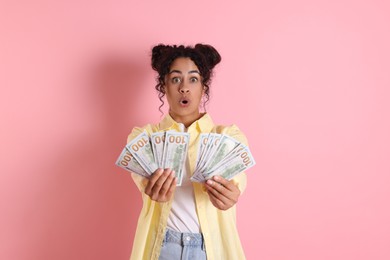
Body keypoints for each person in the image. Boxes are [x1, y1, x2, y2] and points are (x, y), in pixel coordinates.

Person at [127, 44, 248, 260]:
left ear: (204, 87)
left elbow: (239, 179)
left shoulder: (228, 137)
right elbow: (141, 179)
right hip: (163, 247)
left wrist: (231, 193)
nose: (184, 87)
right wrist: (150, 187)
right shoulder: (144, 138)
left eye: (193, 79)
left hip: (210, 250)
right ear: (164, 86)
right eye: (175, 79)